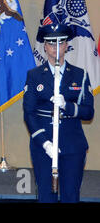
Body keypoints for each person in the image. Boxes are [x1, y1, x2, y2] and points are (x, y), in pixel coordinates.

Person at [23, 24, 94, 203]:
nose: (56, 47)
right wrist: (45, 143)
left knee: (71, 195)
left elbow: (88, 112)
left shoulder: (80, 74)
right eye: (51, 43)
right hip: (43, 145)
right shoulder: (34, 75)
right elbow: (29, 113)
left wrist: (67, 106)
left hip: (72, 145)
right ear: (45, 46)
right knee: (46, 196)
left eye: (60, 43)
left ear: (66, 45)